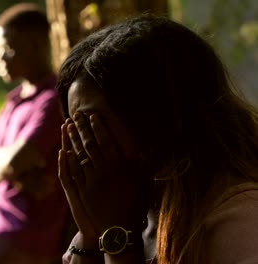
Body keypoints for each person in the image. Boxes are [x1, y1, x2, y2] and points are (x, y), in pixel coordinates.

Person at [56, 15, 258, 264]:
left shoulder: (242, 221)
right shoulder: (136, 212)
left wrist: (118, 236)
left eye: (92, 126)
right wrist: (90, 232)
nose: (79, 147)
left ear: (159, 119)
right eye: (74, 128)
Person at [0, 3, 69, 264]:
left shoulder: (53, 101)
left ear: (36, 45)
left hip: (24, 237)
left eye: (7, 49)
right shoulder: (12, 103)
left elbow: (15, 160)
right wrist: (13, 174)